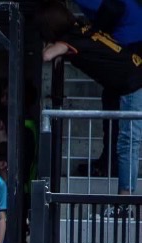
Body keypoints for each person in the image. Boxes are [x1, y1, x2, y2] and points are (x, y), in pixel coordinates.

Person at [38, 1, 142, 197]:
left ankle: (125, 198)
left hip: (132, 82)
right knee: (127, 139)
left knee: (128, 140)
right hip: (132, 72)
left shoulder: (68, 41)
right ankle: (124, 195)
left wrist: (53, 46)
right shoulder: (82, 27)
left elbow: (47, 55)